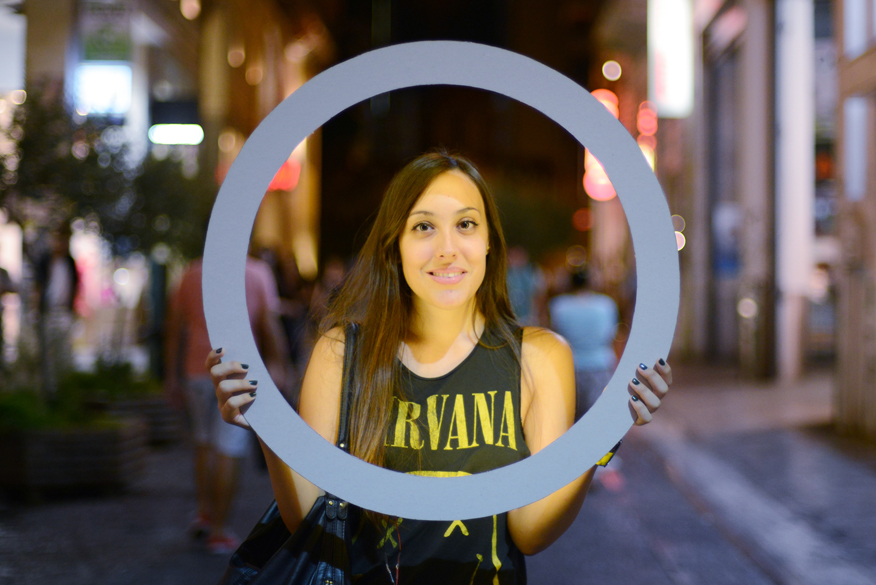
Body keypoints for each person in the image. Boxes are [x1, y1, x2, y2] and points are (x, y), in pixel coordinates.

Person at [207, 151, 672, 583]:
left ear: (489, 241)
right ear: (395, 245)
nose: (447, 249)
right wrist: (265, 420)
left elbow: (530, 530)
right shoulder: (341, 353)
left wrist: (603, 432)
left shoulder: (539, 358)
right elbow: (309, 519)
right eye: (424, 227)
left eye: (466, 224)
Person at [165, 254, 291, 554]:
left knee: (203, 444)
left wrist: (171, 376)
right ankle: (219, 531)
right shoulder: (257, 272)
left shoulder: (191, 272)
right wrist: (281, 365)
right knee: (229, 448)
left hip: (196, 370)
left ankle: (204, 513)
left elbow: (174, 328)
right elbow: (268, 324)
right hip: (238, 371)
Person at [549, 266, 620, 421]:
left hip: (569, 368)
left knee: (569, 420)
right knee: (596, 420)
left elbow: (554, 335)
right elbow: (611, 335)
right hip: (600, 366)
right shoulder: (606, 305)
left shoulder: (559, 305)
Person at [35, 222, 79, 393]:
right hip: (48, 312)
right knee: (47, 354)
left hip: (64, 312)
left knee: (64, 352)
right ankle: (49, 391)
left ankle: (63, 389)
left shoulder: (70, 262)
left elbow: (74, 287)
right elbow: (38, 287)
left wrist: (72, 309)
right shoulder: (45, 260)